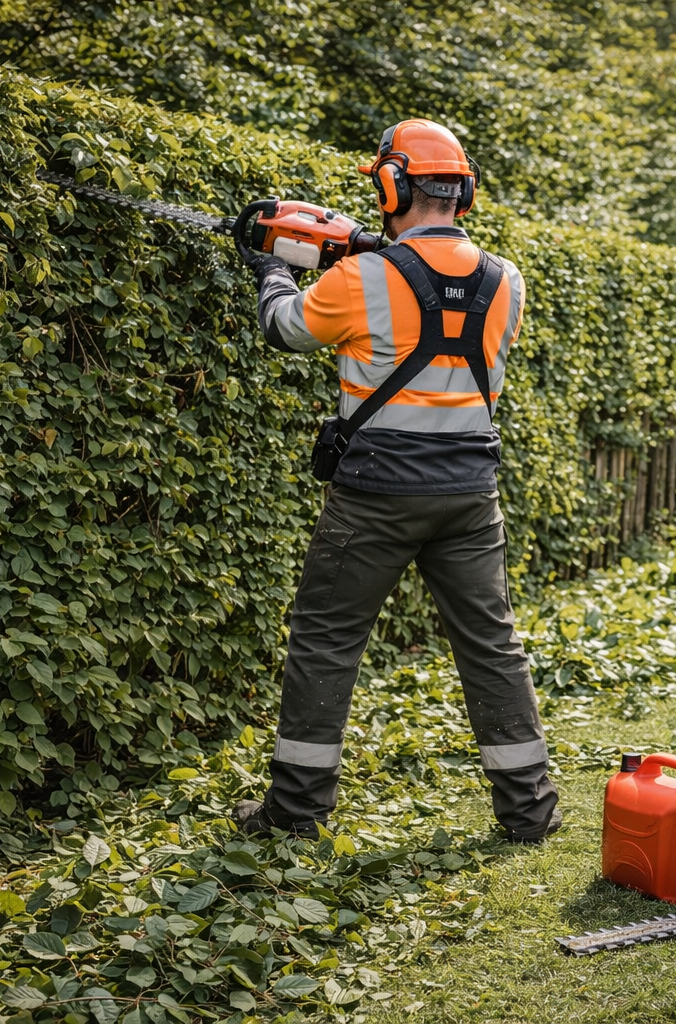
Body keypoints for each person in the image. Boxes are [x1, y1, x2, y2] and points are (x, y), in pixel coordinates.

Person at [232, 119, 561, 843]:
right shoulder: (508, 279)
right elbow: (435, 294)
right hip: (471, 495)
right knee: (491, 644)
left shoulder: (358, 278)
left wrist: (274, 268)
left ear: (392, 185)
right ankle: (529, 809)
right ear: (462, 191)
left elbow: (285, 329)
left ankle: (296, 810)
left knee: (326, 638)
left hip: (374, 496)